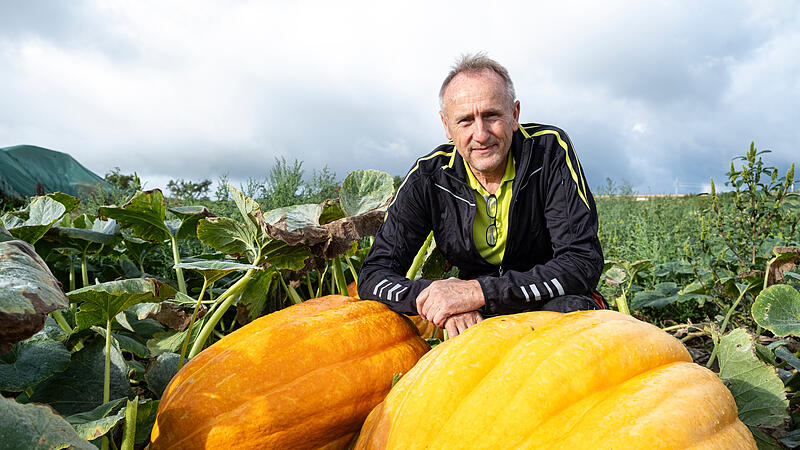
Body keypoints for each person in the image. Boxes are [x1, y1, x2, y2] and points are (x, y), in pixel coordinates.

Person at [357, 54, 605, 337]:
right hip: (475, 319)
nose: (481, 134)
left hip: (547, 304)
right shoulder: (429, 178)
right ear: (446, 126)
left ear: (514, 114)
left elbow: (582, 262)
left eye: (491, 115)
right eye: (464, 121)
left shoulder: (548, 152)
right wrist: (440, 299)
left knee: (571, 316)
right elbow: (373, 275)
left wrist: (479, 292)